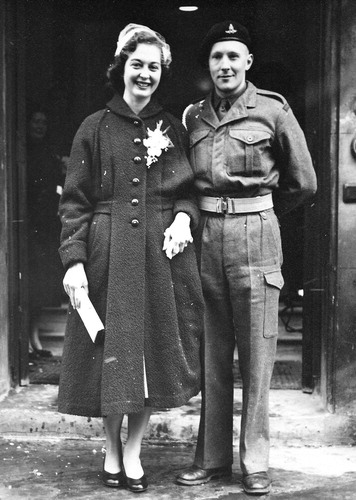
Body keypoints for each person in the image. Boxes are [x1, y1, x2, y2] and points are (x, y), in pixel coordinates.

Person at [57, 23, 203, 493]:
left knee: (147, 358)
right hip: (107, 252)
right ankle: (111, 449)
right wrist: (74, 260)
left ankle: (134, 453)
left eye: (154, 67)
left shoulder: (172, 128)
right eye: (137, 65)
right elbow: (74, 203)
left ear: (163, 73)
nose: (145, 75)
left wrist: (183, 218)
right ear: (122, 67)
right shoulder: (94, 127)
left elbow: (188, 192)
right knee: (111, 355)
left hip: (160, 256)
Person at [176, 21, 317, 495]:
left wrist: (262, 215)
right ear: (209, 65)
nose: (225, 65)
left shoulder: (273, 111)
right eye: (217, 57)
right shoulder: (194, 115)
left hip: (256, 234)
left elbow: (304, 183)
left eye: (234, 56)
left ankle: (255, 462)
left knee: (257, 357)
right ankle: (212, 459)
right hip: (206, 237)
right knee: (212, 354)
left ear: (248, 62)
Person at [27, 108, 64, 358]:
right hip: (27, 227)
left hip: (46, 226)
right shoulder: (22, 152)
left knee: (40, 285)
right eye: (35, 121)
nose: (40, 126)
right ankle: (28, 342)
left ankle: (35, 339)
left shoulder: (49, 153)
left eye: (44, 122)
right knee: (28, 285)